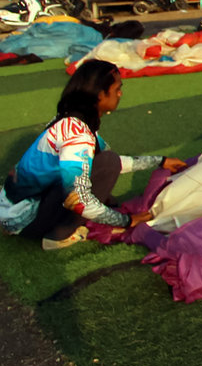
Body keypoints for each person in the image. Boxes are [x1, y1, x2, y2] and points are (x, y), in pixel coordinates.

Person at [0, 59, 187, 250]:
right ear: (99, 95)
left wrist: (160, 161)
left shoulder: (73, 119)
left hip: (16, 208)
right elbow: (81, 199)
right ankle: (59, 235)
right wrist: (127, 221)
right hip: (23, 220)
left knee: (105, 161)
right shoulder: (78, 135)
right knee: (106, 163)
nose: (120, 94)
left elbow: (103, 163)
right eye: (117, 89)